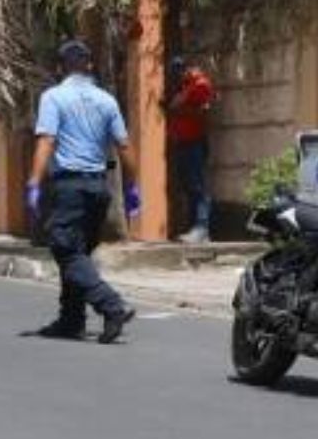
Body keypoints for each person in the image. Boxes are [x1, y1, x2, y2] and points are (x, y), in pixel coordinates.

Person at [24, 40, 140, 344]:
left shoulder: (54, 97)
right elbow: (124, 146)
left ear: (60, 68)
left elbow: (46, 141)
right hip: (98, 189)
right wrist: (132, 186)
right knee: (78, 254)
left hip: (69, 186)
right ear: (89, 65)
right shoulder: (107, 100)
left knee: (65, 249)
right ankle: (71, 320)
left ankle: (112, 305)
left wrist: (34, 183)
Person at [168, 56, 217, 244]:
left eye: (179, 70)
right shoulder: (184, 87)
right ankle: (193, 229)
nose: (176, 75)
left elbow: (204, 111)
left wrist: (177, 110)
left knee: (199, 187)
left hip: (194, 142)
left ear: (186, 69)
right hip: (183, 142)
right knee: (189, 187)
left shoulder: (200, 84)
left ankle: (202, 228)